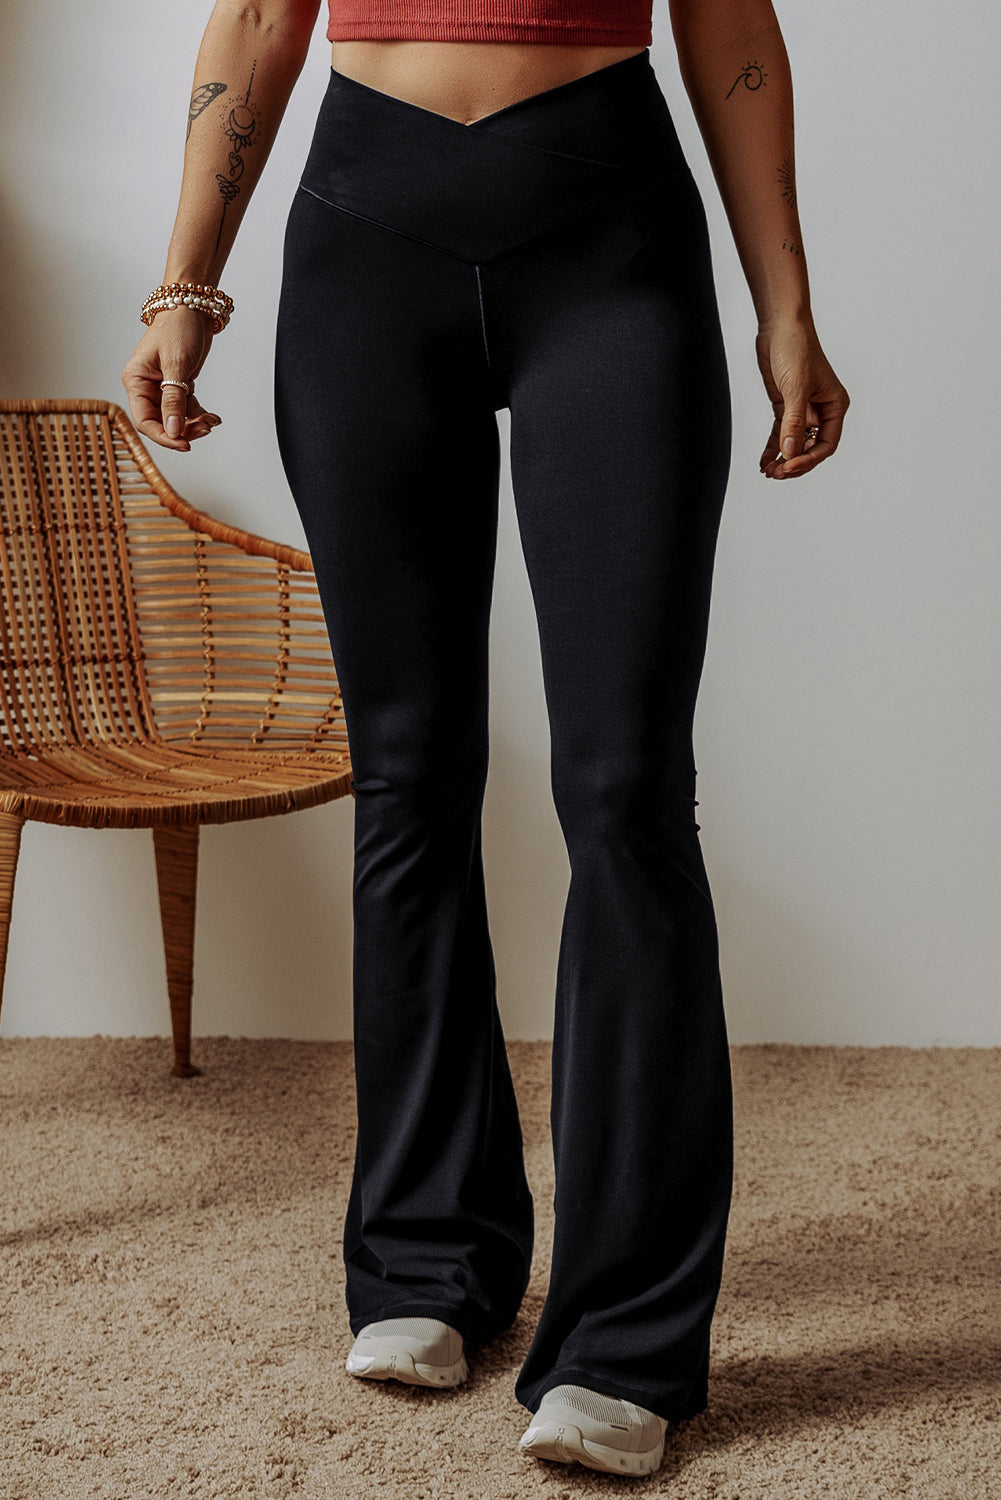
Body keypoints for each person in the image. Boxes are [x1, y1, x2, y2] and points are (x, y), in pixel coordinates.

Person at [122, 0, 849, 1479]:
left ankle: (625, 1338)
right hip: (360, 233)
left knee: (625, 790)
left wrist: (784, 306)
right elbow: (260, 14)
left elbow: (730, 30)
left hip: (610, 233)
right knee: (408, 770)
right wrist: (183, 284)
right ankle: (421, 1261)